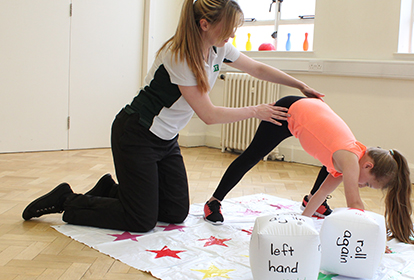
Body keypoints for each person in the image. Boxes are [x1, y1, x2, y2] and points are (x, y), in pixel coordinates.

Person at [21, 0, 322, 232]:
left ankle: (109, 190)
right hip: (135, 135)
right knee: (141, 220)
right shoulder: (179, 55)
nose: (233, 33)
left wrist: (299, 84)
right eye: (229, 26)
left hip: (165, 141)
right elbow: (208, 114)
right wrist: (257, 111)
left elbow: (256, 67)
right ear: (205, 24)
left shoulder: (218, 48)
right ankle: (67, 200)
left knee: (175, 212)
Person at [204, 96, 414, 245]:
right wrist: (371, 241)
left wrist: (301, 224)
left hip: (309, 111)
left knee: (322, 184)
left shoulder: (348, 163)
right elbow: (355, 206)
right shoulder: (349, 158)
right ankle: (214, 201)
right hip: (288, 111)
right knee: (251, 156)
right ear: (368, 165)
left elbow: (318, 196)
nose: (361, 185)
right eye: (367, 183)